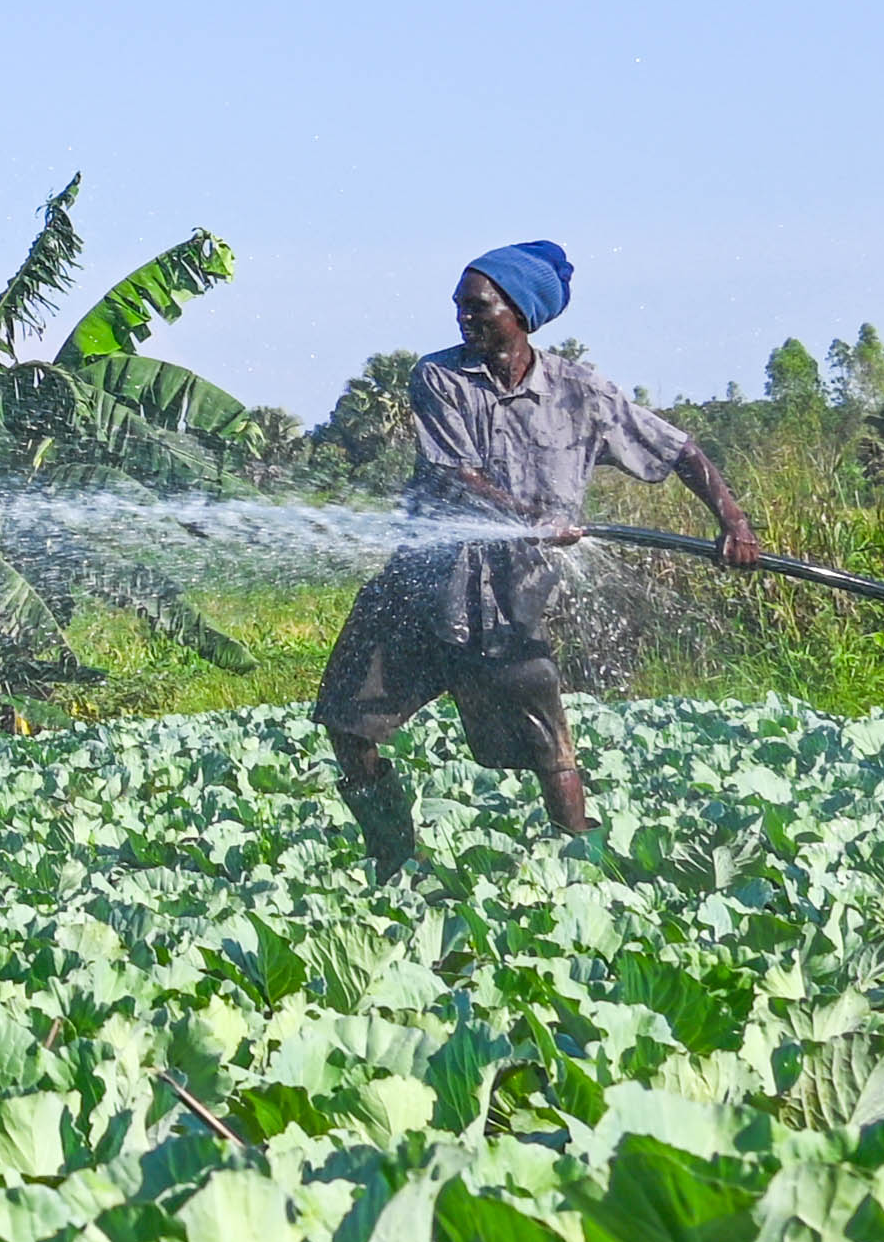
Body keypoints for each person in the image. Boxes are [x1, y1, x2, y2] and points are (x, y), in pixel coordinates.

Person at [320, 240, 760, 876]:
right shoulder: (439, 378)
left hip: (510, 599)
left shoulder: (583, 393)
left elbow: (681, 451)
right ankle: (395, 863)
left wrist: (734, 523)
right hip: (418, 588)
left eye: (478, 308)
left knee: (549, 746)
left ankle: (587, 872)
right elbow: (457, 475)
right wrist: (530, 520)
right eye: (459, 309)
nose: (464, 320)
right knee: (347, 722)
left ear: (520, 313)